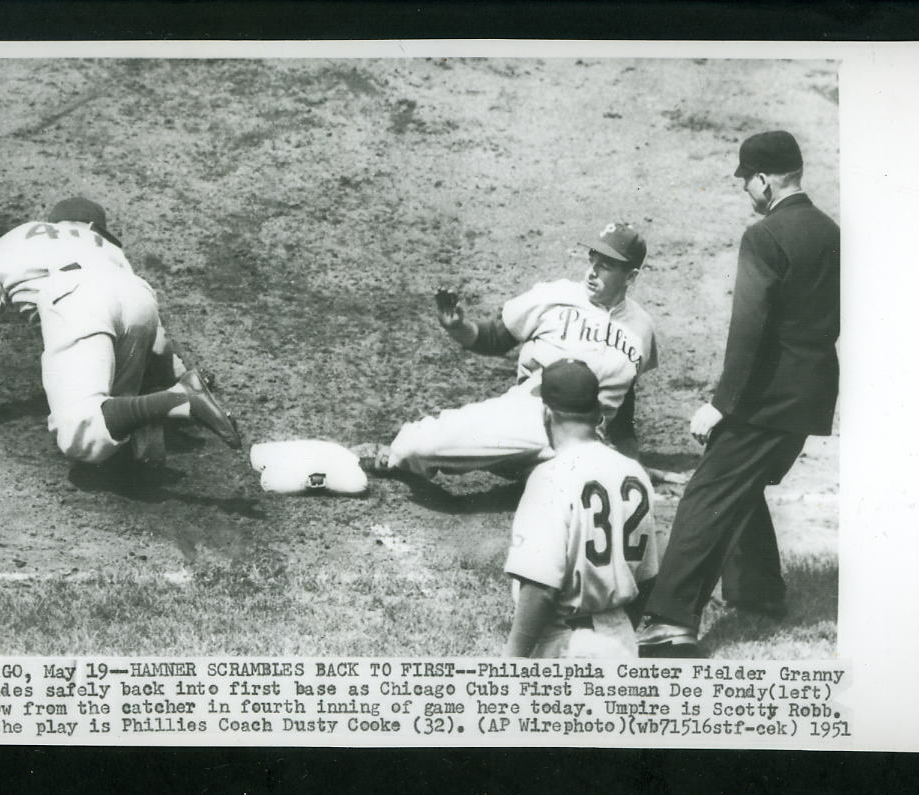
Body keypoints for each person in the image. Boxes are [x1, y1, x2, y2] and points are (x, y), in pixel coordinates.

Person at [636, 130, 840, 657]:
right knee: (739, 481)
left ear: (765, 180)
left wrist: (721, 403)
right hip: (811, 397)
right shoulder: (832, 232)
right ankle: (759, 592)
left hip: (765, 398)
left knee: (708, 489)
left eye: (746, 181)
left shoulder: (765, 236)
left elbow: (750, 327)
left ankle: (669, 622)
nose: (745, 191)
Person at [0, 197, 241, 465]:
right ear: (94, 226)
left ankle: (182, 402)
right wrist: (178, 371)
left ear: (53, 221)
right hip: (139, 295)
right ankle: (156, 426)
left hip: (76, 297)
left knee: (79, 435)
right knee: (114, 406)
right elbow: (158, 341)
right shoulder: (108, 247)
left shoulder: (19, 236)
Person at [354, 221, 660, 480]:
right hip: (531, 417)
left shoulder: (641, 328)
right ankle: (393, 457)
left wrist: (632, 464)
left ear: (630, 277)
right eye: (592, 261)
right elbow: (495, 338)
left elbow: (623, 402)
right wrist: (459, 327)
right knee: (414, 446)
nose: (592, 272)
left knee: (617, 487)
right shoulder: (556, 295)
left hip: (587, 443)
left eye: (605, 267)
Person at [503, 359, 661, 658]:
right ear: (598, 415)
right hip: (622, 641)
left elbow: (541, 587)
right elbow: (649, 577)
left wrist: (512, 660)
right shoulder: (634, 472)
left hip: (566, 643)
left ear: (546, 413)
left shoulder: (549, 478)